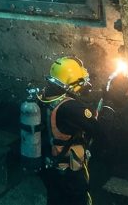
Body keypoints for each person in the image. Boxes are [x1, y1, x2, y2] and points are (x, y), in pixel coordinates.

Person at [37, 56, 111, 205]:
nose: (84, 86)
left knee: (55, 199)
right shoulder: (71, 108)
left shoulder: (43, 97)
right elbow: (98, 131)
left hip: (48, 167)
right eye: (81, 82)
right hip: (67, 173)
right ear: (70, 84)